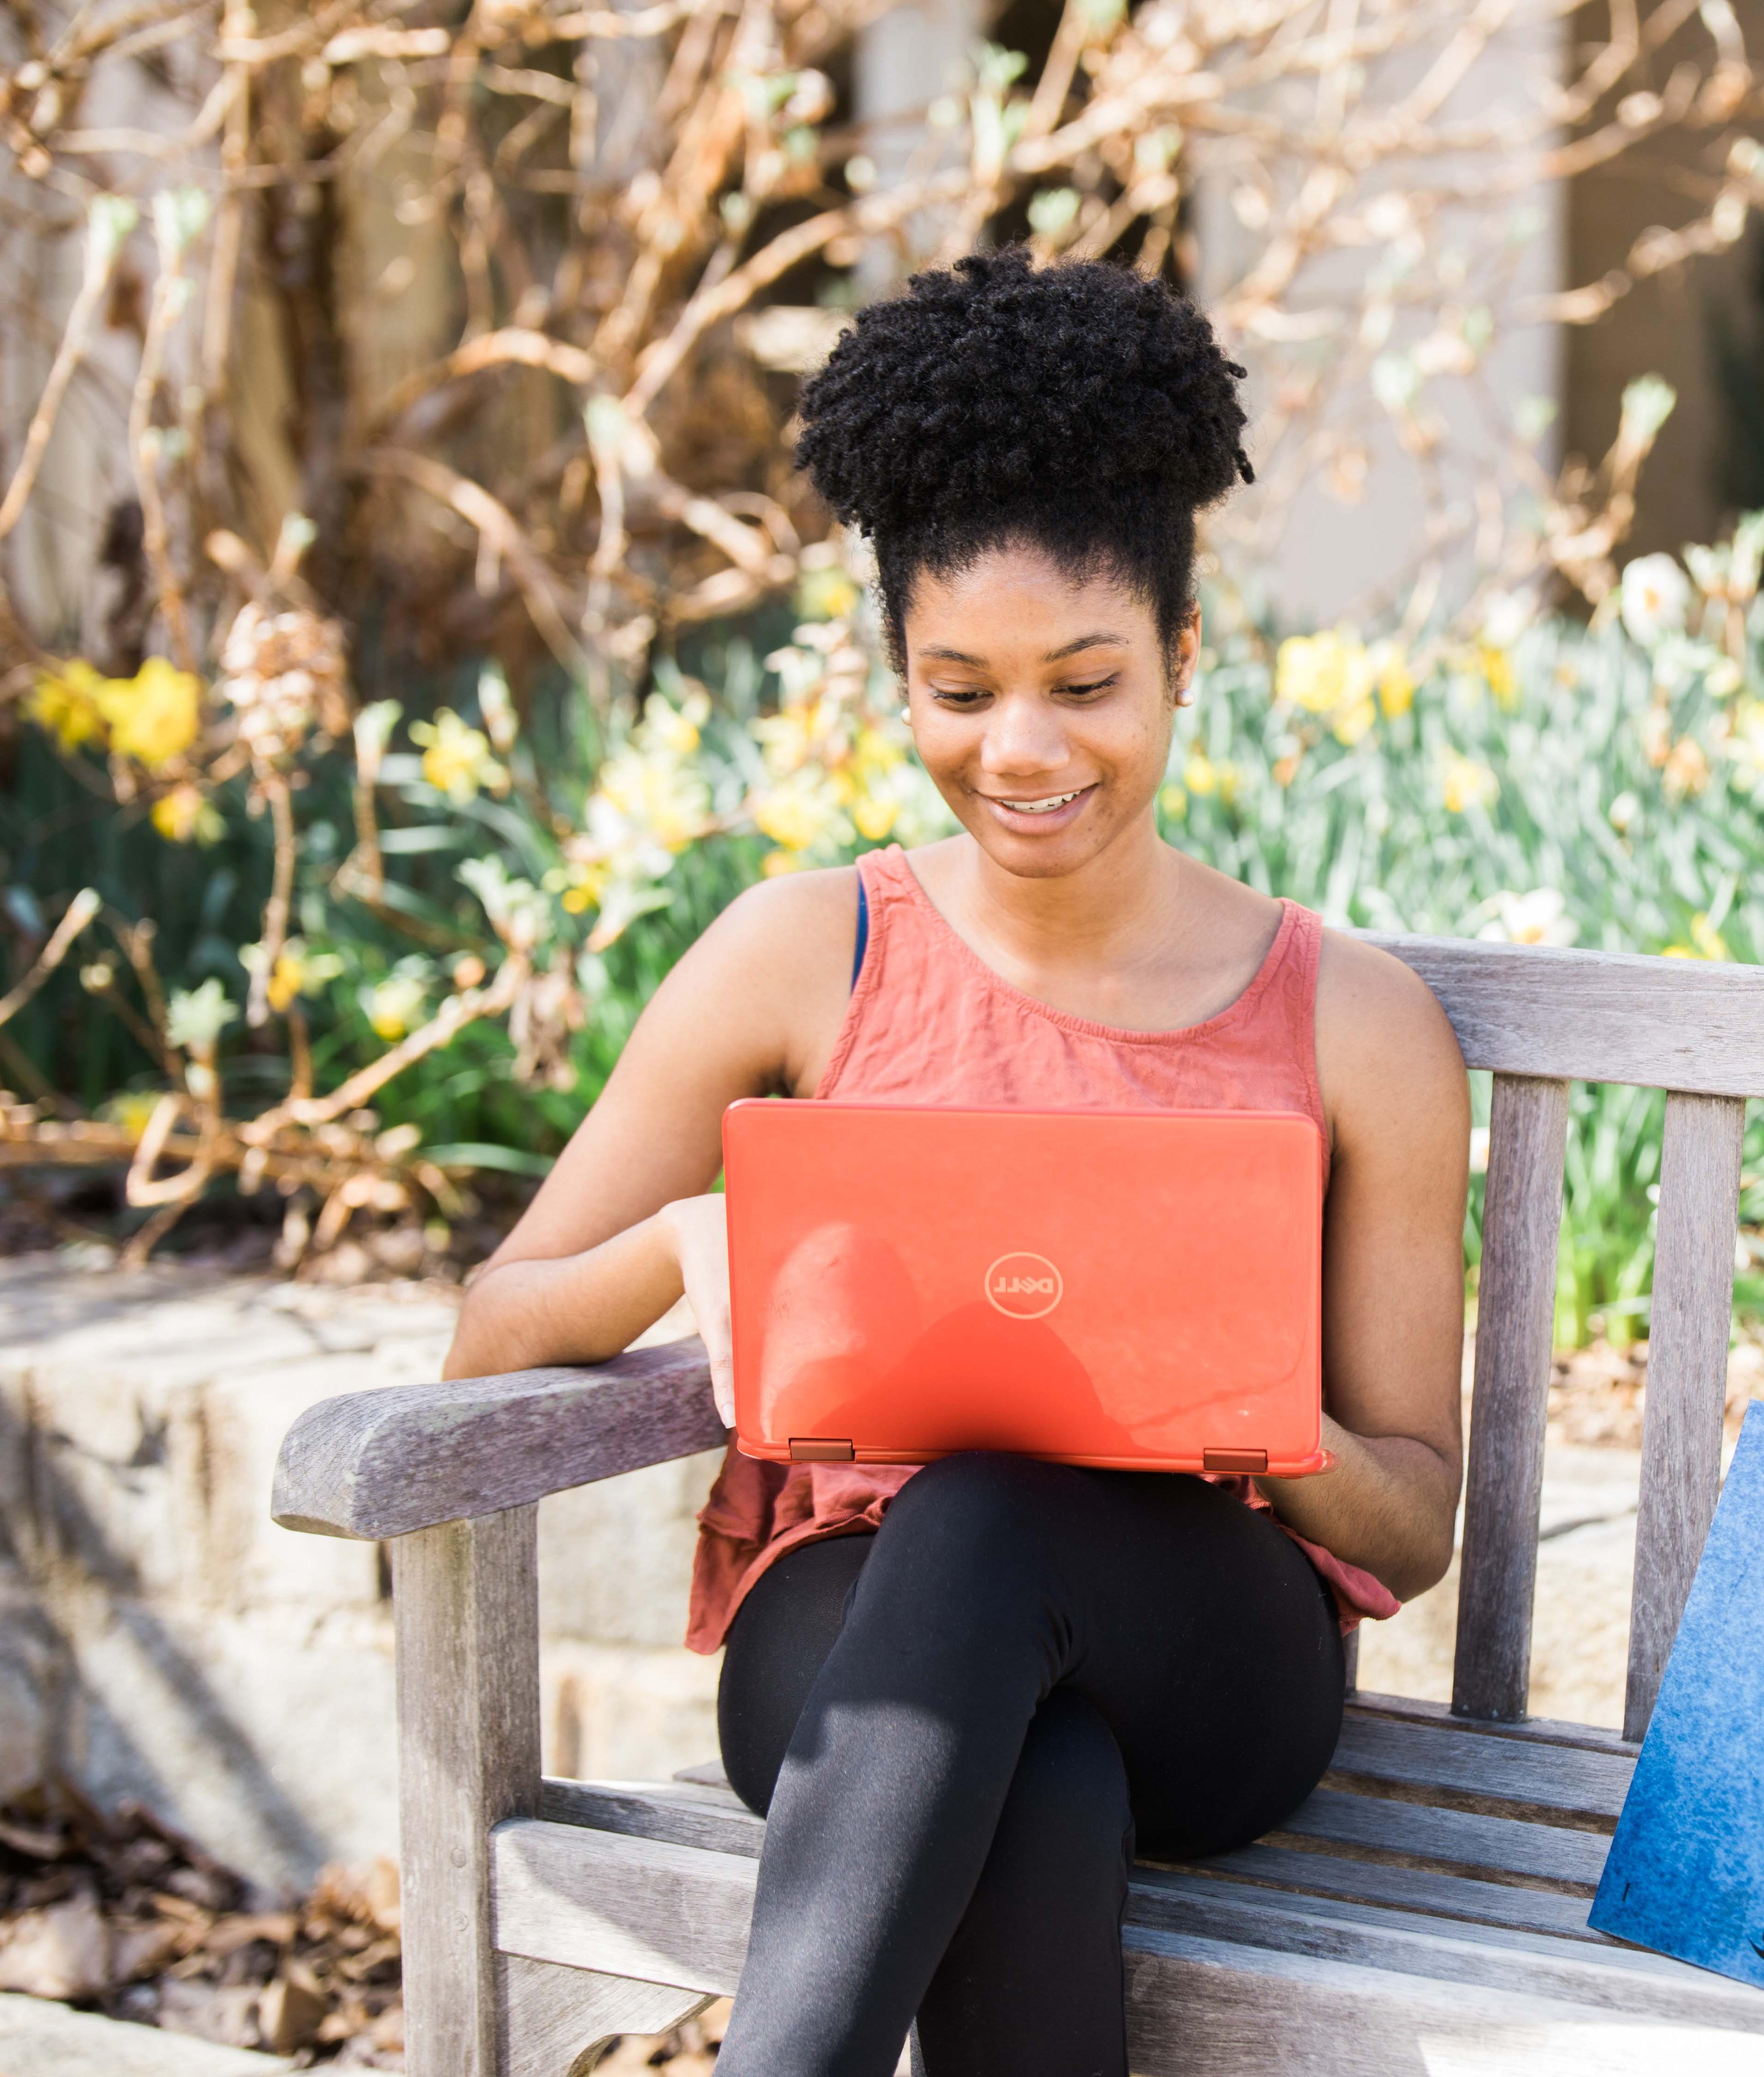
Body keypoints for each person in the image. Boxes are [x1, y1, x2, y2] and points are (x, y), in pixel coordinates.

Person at [443, 248, 1470, 2077]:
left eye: (1085, 681)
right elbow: (494, 1321)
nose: (1022, 750)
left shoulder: (1355, 1021)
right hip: (852, 1638)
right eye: (959, 689)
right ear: (898, 676)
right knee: (1029, 1774)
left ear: (1181, 653)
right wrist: (694, 1247)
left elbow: (1415, 1517)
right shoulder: (796, 951)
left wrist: (1250, 1411)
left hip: (1212, 1649)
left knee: (991, 1512)